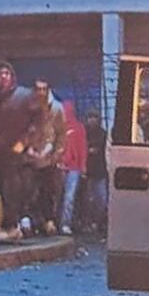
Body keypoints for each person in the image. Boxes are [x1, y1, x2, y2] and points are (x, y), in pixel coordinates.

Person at [0, 61, 37, 240]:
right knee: (5, 187)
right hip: (0, 150)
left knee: (23, 187)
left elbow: (37, 122)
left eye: (7, 73)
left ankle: (22, 220)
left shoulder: (25, 96)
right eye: (0, 74)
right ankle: (12, 224)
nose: (3, 77)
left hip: (22, 151)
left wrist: (24, 142)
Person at [22, 79, 65, 236]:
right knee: (27, 191)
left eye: (43, 89)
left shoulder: (56, 108)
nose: (40, 92)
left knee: (48, 192)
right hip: (29, 157)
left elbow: (61, 134)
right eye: (37, 89)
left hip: (48, 158)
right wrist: (25, 150)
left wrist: (56, 155)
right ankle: (27, 221)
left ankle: (48, 221)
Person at [59, 99, 87, 236]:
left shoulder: (79, 127)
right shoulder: (58, 126)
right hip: (59, 166)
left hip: (73, 167)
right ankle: (54, 222)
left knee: (69, 197)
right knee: (57, 195)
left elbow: (82, 148)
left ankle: (65, 223)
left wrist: (83, 166)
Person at [83, 108, 109, 235]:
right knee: (88, 199)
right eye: (90, 117)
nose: (92, 120)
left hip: (100, 170)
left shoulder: (103, 134)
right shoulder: (84, 133)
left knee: (102, 199)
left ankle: (98, 222)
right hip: (87, 171)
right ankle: (89, 223)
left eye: (94, 117)